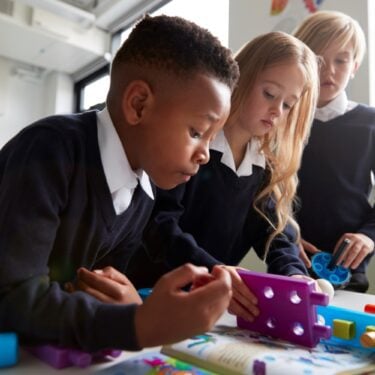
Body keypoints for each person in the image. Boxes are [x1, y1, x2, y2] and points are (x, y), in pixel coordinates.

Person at [0, 15, 240, 352]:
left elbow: (84, 292)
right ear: (138, 104)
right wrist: (136, 325)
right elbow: (12, 298)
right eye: (197, 132)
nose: (204, 154)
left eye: (211, 139)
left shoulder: (142, 194)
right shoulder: (49, 149)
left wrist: (124, 303)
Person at [127, 31, 320, 321]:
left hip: (204, 307)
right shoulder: (191, 145)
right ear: (239, 79)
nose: (277, 111)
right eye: (269, 94)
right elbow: (159, 226)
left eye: (288, 104)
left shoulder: (263, 168)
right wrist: (215, 271)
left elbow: (275, 235)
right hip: (145, 296)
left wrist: (294, 275)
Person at [293, 10, 375, 292]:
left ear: (354, 65)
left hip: (350, 269)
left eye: (340, 60)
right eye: (318, 60)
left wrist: (369, 236)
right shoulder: (281, 122)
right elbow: (263, 194)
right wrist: (281, 235)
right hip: (291, 263)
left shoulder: (370, 122)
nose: (328, 71)